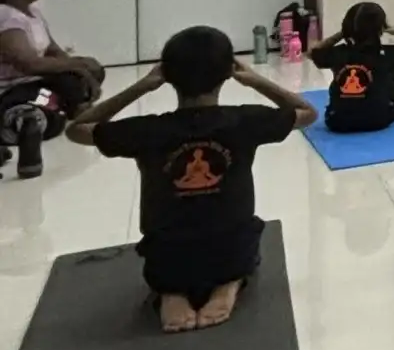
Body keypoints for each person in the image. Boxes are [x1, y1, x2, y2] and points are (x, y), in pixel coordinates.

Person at [66, 26, 315, 332]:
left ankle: (172, 291)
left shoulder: (148, 130)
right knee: (246, 231)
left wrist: (142, 86)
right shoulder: (245, 120)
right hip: (231, 252)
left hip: (167, 260)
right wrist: (254, 79)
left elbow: (77, 129)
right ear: (228, 73)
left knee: (166, 246)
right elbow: (306, 112)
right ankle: (229, 283)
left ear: (166, 75)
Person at [0, 0, 104, 178]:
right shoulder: (5, 16)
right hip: (13, 88)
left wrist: (83, 69)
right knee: (55, 102)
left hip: (38, 83)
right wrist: (78, 69)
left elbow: (53, 52)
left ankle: (54, 110)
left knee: (88, 72)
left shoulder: (33, 14)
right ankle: (24, 120)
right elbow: (28, 64)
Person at [309, 2, 394, 133]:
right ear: (381, 29)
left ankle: (393, 109)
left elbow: (312, 52)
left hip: (337, 122)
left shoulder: (338, 52)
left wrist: (342, 34)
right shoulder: (390, 53)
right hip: (379, 120)